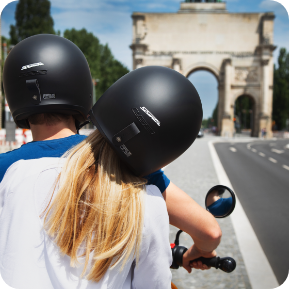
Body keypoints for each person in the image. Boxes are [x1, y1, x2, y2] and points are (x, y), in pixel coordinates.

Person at [0, 35, 221, 274]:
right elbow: (209, 231)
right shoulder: (121, 159)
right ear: (81, 87)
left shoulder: (7, 169)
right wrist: (198, 252)